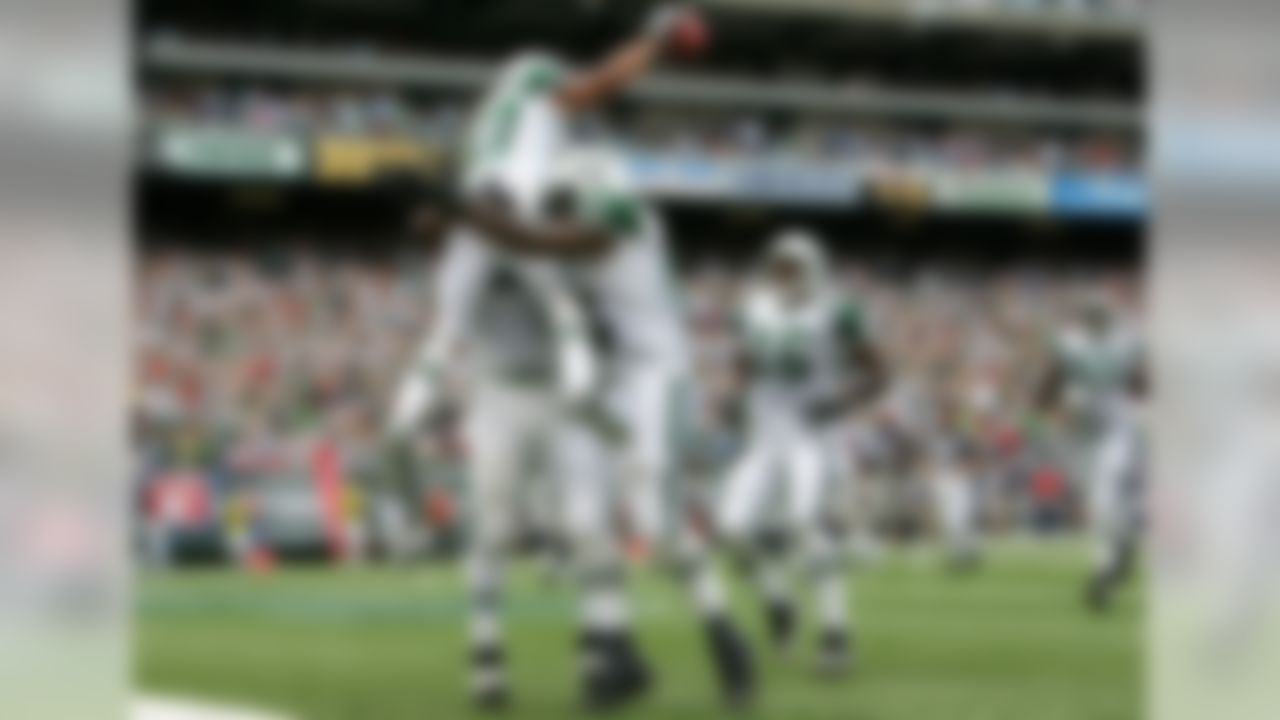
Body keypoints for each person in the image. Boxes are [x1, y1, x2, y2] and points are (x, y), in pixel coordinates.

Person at [383, 5, 711, 711]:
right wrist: (655, 39)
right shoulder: (536, 98)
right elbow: (595, 86)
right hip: (511, 331)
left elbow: (477, 246)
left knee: (572, 513)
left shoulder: (493, 143)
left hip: (517, 289)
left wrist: (437, 216)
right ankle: (528, 656)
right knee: (531, 516)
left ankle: (591, 654)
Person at [718, 229, 886, 676]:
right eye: (778, 266)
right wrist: (734, 393)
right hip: (764, 438)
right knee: (731, 530)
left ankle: (836, 636)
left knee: (805, 528)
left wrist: (840, 402)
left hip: (813, 438)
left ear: (815, 268)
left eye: (793, 266)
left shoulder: (838, 312)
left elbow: (879, 372)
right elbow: (745, 361)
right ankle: (779, 599)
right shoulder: (753, 310)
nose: (784, 275)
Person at [1037, 295, 1145, 612]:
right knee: (1101, 505)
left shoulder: (1124, 345)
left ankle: (1103, 571)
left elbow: (1140, 383)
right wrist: (1042, 408)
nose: (1096, 324)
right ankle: (1122, 544)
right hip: (1084, 438)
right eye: (1092, 319)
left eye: (1101, 318)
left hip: (1116, 432)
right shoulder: (1072, 346)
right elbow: (1051, 380)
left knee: (1107, 494)